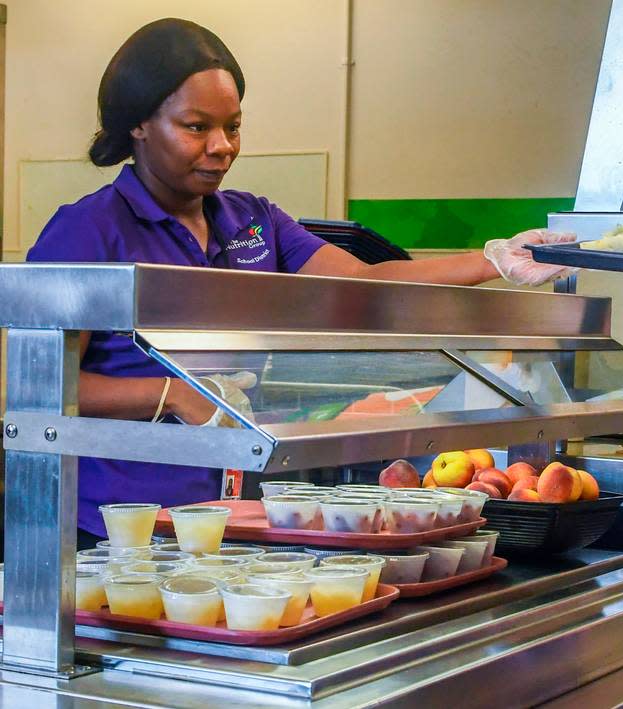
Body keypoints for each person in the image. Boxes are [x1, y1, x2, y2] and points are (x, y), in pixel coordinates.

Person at [25, 18, 573, 548]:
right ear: (138, 124)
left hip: (233, 517)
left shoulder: (252, 219)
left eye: (233, 126)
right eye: (197, 127)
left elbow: (366, 281)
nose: (222, 146)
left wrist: (493, 260)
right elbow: (34, 389)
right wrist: (172, 395)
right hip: (119, 530)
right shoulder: (87, 230)